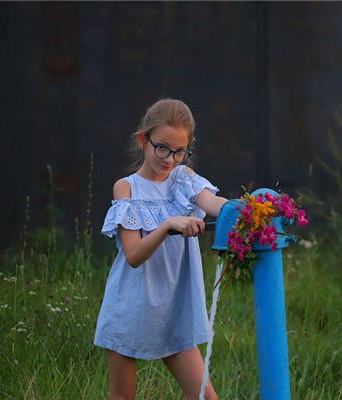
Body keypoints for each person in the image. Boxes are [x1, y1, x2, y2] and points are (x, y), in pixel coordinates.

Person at [94, 98, 226, 400]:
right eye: (163, 148)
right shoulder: (126, 188)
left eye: (180, 151)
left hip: (173, 309)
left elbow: (214, 204)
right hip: (130, 307)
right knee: (123, 397)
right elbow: (134, 256)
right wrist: (168, 225)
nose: (170, 159)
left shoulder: (184, 178)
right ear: (143, 140)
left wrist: (248, 210)